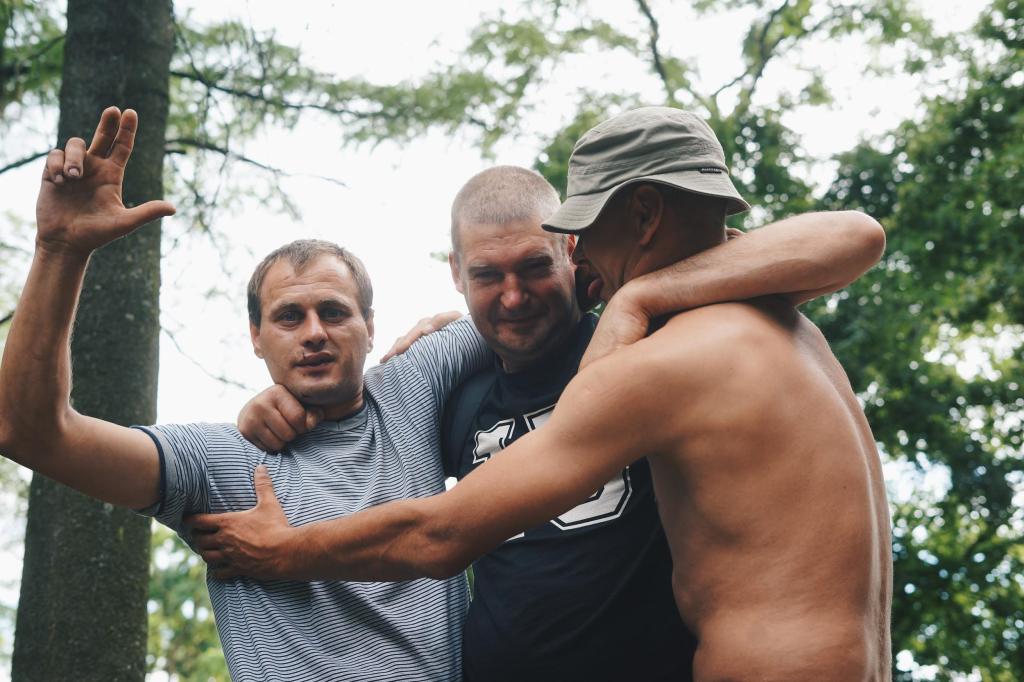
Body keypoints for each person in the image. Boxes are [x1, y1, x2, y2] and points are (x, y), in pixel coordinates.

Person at [199, 112, 890, 682]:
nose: (579, 251)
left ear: (644, 213)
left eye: (585, 231)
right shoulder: (792, 331)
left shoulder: (666, 361)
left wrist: (286, 552)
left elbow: (441, 533)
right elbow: (847, 236)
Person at [0, 107, 494, 681]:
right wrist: (59, 253)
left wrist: (451, 317)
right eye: (289, 317)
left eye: (333, 312)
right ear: (255, 338)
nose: (313, 332)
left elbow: (523, 306)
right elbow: (28, 432)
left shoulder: (414, 387)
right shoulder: (217, 464)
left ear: (371, 327)